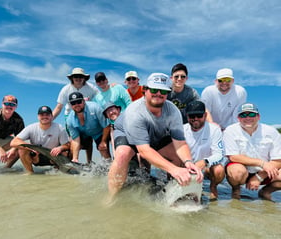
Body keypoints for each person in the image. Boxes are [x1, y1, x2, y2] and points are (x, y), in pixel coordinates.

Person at [107, 73, 203, 201]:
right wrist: (174, 169)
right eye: (153, 90)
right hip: (127, 133)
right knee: (122, 155)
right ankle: (111, 196)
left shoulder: (173, 111)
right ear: (145, 91)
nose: (158, 93)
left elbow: (180, 143)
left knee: (176, 156)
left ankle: (173, 190)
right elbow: (144, 150)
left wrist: (189, 162)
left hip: (154, 135)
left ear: (167, 94)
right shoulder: (134, 112)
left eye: (163, 91)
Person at [223, 103, 281, 201]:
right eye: (243, 115)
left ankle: (265, 192)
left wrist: (258, 177)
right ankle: (236, 190)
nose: (248, 117)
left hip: (264, 172)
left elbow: (278, 160)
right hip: (242, 169)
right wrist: (261, 163)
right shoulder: (230, 130)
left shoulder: (272, 132)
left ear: (258, 117)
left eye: (252, 114)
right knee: (236, 172)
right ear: (238, 118)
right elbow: (233, 157)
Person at [184, 100, 226, 200]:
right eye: (191, 116)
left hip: (206, 166)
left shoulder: (214, 129)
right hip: (187, 164)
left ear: (205, 115)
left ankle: (213, 186)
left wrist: (204, 162)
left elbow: (220, 154)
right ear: (187, 116)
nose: (195, 119)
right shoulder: (181, 129)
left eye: (199, 115)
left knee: (219, 170)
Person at [10, 106, 71, 174]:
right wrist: (31, 147)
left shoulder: (59, 128)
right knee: (22, 149)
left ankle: (61, 170)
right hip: (37, 156)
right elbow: (13, 142)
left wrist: (60, 148)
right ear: (38, 116)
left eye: (47, 114)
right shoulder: (31, 128)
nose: (44, 117)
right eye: (42, 115)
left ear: (51, 116)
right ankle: (30, 173)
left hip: (53, 157)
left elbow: (67, 145)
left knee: (66, 151)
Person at [66, 92, 111, 164]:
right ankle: (73, 163)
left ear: (84, 101)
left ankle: (110, 166)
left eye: (79, 102)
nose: (76, 105)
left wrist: (103, 141)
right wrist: (75, 158)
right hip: (84, 135)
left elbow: (106, 126)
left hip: (99, 132)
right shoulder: (69, 120)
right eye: (73, 103)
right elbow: (76, 140)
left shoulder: (95, 107)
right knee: (72, 147)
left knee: (103, 149)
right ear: (71, 105)